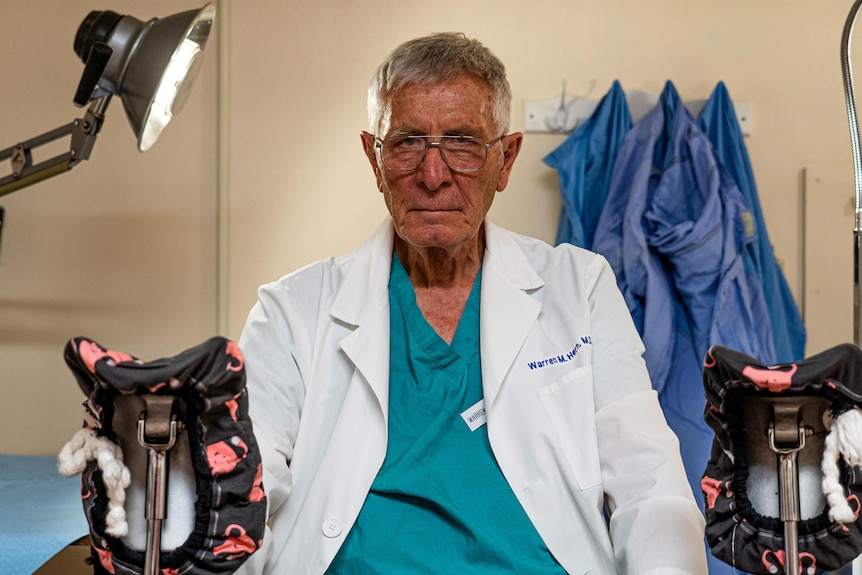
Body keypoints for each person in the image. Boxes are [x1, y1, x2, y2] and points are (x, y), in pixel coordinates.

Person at [236, 32, 708, 574]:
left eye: (461, 143)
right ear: (374, 158)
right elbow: (245, 493)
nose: (432, 175)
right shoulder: (291, 312)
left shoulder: (579, 287)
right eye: (408, 142)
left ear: (505, 161)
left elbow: (650, 483)